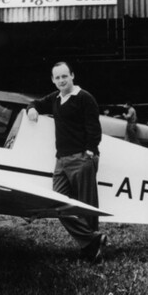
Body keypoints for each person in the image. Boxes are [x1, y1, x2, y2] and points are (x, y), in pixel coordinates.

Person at [26, 62, 107, 263]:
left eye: (65, 76)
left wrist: (89, 153)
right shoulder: (55, 98)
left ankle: (91, 250)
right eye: (57, 78)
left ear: (72, 76)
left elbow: (94, 129)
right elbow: (36, 102)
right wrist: (31, 109)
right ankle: (92, 240)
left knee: (86, 206)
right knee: (58, 204)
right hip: (61, 160)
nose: (62, 80)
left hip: (81, 158)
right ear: (53, 80)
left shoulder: (85, 98)